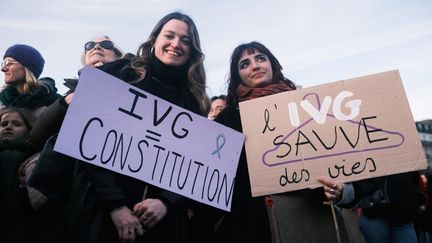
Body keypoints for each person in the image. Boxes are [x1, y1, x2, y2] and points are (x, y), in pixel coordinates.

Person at [31, 12, 209, 243]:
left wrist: (166, 201)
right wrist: (116, 206)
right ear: (154, 39)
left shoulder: (193, 100)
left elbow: (192, 165)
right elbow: (88, 141)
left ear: (192, 50)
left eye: (185, 40)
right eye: (170, 35)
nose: (176, 44)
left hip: (160, 222)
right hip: (100, 210)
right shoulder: (120, 73)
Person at [208, 41, 350, 243]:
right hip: (251, 225)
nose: (255, 66)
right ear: (237, 75)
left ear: (272, 65)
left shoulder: (306, 108)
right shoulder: (229, 118)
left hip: (308, 218)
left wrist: (339, 189)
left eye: (260, 58)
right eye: (244, 64)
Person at [319, 171, 425, 243]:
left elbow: (414, 178)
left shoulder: (404, 146)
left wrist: (417, 197)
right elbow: (360, 182)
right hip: (374, 214)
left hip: (403, 216)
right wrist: (345, 193)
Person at [0, 107, 38, 242]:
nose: (8, 127)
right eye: (4, 124)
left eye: (17, 124)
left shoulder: (37, 157)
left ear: (29, 128)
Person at [0, 44, 60, 118]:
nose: (3, 69)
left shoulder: (58, 104)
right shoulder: (2, 102)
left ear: (27, 68)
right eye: (3, 64)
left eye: (9, 63)